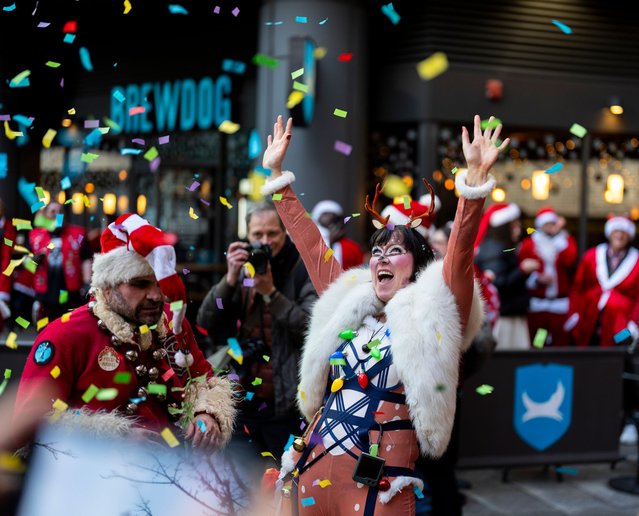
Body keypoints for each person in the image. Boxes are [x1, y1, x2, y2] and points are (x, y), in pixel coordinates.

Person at [262, 114, 507, 514]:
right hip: (312, 469)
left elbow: (460, 253)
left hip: (378, 484)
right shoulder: (352, 303)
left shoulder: (437, 314)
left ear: (420, 264)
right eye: (376, 251)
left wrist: (474, 183)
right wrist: (278, 178)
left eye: (395, 251)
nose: (381, 259)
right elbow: (311, 247)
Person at [9, 213, 237, 456]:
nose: (156, 296)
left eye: (158, 283)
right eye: (140, 285)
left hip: (176, 476)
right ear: (107, 288)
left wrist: (208, 413)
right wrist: (113, 438)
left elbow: (206, 381)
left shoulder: (173, 322)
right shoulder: (65, 334)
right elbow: (29, 424)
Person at [197, 201, 317, 462]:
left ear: (285, 233)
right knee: (239, 487)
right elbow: (206, 321)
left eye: (272, 233)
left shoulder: (302, 268)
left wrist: (271, 294)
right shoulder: (242, 269)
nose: (265, 241)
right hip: (241, 401)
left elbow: (311, 329)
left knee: (284, 486)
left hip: (286, 404)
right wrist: (229, 280)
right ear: (247, 236)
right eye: (257, 235)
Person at [565, 214, 639, 347]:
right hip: (588, 320)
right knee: (586, 356)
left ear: (630, 236)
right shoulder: (592, 256)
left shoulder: (636, 261)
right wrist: (574, 316)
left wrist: (633, 326)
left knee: (615, 357)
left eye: (624, 233)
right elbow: (577, 288)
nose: (620, 236)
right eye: (617, 231)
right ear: (610, 233)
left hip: (620, 325)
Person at [474, 202, 539, 349]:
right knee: (507, 362)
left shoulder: (503, 248)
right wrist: (522, 270)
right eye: (514, 226)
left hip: (511, 312)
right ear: (504, 228)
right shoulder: (495, 250)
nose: (518, 230)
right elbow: (498, 285)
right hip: (504, 317)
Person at [519, 207, 578, 347]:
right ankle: (540, 361)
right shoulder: (530, 244)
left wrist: (559, 239)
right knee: (539, 341)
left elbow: (570, 261)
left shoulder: (565, 242)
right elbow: (522, 271)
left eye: (552, 223)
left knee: (560, 340)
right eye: (547, 224)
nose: (550, 227)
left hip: (559, 304)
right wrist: (537, 279)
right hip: (539, 305)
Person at [29, 201, 93, 323]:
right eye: (52, 211)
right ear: (45, 215)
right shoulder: (35, 236)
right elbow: (26, 264)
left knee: (67, 324)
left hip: (69, 290)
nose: (57, 214)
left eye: (60, 211)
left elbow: (86, 259)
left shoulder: (77, 234)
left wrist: (86, 282)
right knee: (45, 326)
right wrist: (34, 260)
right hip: (45, 291)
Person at [311, 200, 365, 270]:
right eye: (326, 214)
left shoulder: (352, 247)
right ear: (317, 216)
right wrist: (331, 244)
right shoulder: (307, 242)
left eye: (333, 215)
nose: (330, 217)